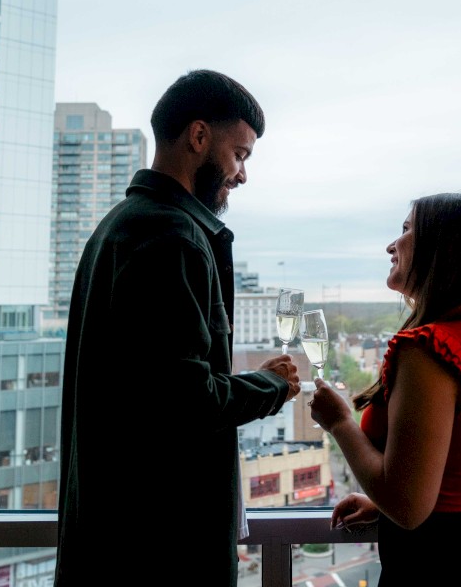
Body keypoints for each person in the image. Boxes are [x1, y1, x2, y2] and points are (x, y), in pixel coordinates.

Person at [54, 70, 300, 587]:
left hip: (114, 541)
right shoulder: (173, 237)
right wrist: (272, 385)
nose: (241, 174)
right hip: (158, 553)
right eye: (241, 154)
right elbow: (187, 403)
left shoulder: (118, 225)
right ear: (199, 136)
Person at [309, 192, 461, 586]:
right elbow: (460, 467)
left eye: (406, 230)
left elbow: (408, 508)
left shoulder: (429, 351)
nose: (391, 245)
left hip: (447, 565)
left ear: (441, 248)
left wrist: (339, 423)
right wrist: (380, 501)